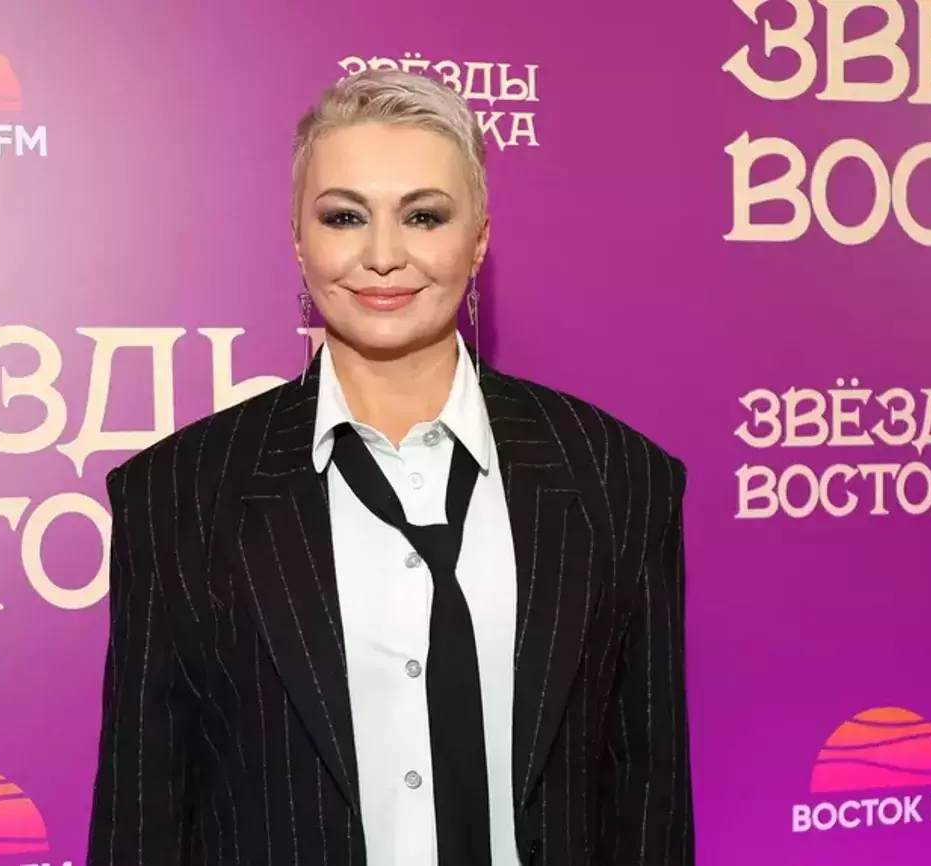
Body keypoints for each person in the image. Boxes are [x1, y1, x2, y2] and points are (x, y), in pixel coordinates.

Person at [86, 68, 693, 866]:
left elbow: (649, 801)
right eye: (345, 216)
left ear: (479, 239)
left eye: (423, 216)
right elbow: (143, 812)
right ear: (299, 240)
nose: (382, 256)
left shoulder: (620, 479)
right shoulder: (174, 497)